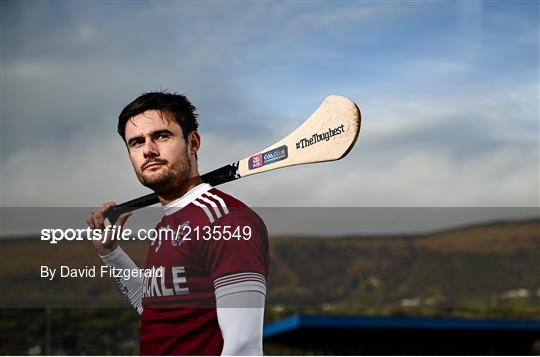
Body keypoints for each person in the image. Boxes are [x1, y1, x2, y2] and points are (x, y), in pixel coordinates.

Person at [86, 92, 270, 355]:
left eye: (161, 136)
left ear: (192, 142)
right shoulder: (167, 226)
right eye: (137, 142)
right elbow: (155, 310)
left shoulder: (226, 220)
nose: (148, 150)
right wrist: (111, 254)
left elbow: (244, 346)